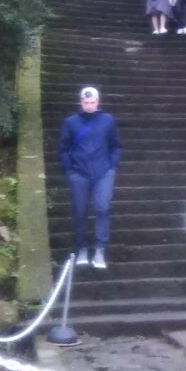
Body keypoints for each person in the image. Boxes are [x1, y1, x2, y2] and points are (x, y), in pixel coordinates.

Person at [57, 87, 121, 270]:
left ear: (98, 102)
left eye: (93, 102)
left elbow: (116, 145)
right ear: (80, 102)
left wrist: (111, 166)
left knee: (103, 208)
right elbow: (63, 148)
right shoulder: (71, 122)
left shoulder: (108, 121)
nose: (89, 106)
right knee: (80, 212)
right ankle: (82, 248)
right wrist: (70, 171)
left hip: (103, 173)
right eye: (86, 103)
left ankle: (100, 249)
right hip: (79, 174)